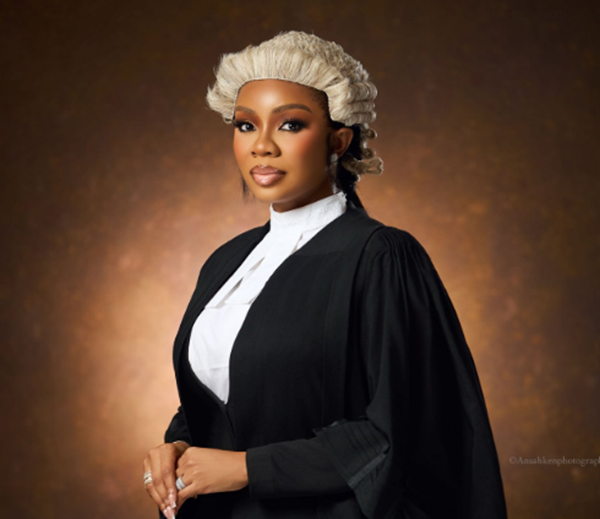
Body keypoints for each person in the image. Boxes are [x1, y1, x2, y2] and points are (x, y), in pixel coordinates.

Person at [142, 31, 508, 519]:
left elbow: (401, 430)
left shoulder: (381, 257)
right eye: (246, 125)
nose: (262, 146)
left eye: (290, 125)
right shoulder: (226, 262)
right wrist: (179, 445)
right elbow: (232, 397)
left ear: (339, 140)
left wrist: (249, 467)